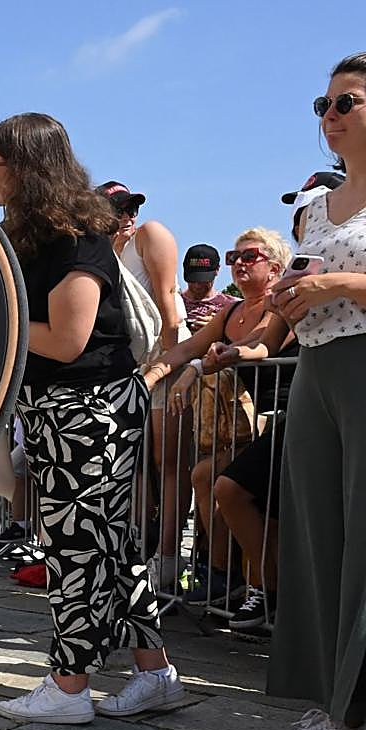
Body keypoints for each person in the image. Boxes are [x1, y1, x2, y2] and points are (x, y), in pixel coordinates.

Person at [0, 113, 184, 725]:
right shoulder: (33, 238)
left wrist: (2, 323)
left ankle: (69, 686)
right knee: (112, 549)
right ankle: (155, 672)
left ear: (23, 167)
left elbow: (68, 338)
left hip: (88, 407)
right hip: (66, 408)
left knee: (75, 551)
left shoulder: (78, 237)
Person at [263, 52, 366, 730]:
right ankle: (340, 705)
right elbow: (301, 282)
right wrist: (288, 297)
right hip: (316, 371)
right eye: (323, 105)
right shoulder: (315, 207)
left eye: (347, 103)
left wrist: (336, 281)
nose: (329, 117)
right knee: (318, 538)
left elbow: (335, 281)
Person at [145, 229, 293, 607]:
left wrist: (196, 369)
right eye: (234, 257)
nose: (239, 264)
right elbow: (185, 349)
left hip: (285, 419)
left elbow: (253, 346)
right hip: (258, 426)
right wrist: (143, 381)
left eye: (249, 257)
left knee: (225, 486)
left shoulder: (279, 303)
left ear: (275, 268)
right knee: (203, 476)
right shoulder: (231, 311)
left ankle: (261, 585)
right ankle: (224, 575)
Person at [97, 180, 192, 589]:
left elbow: (169, 306)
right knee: (134, 468)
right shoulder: (101, 251)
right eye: (119, 208)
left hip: (166, 362)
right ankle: (136, 554)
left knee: (167, 464)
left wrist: (170, 371)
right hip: (132, 370)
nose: (128, 216)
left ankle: (168, 562)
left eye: (130, 207)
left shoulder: (150, 235)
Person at [180, 244, 237, 332]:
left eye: (203, 280)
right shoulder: (172, 304)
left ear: (217, 270)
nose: (197, 285)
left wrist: (219, 328)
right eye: (193, 279)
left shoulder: (233, 306)